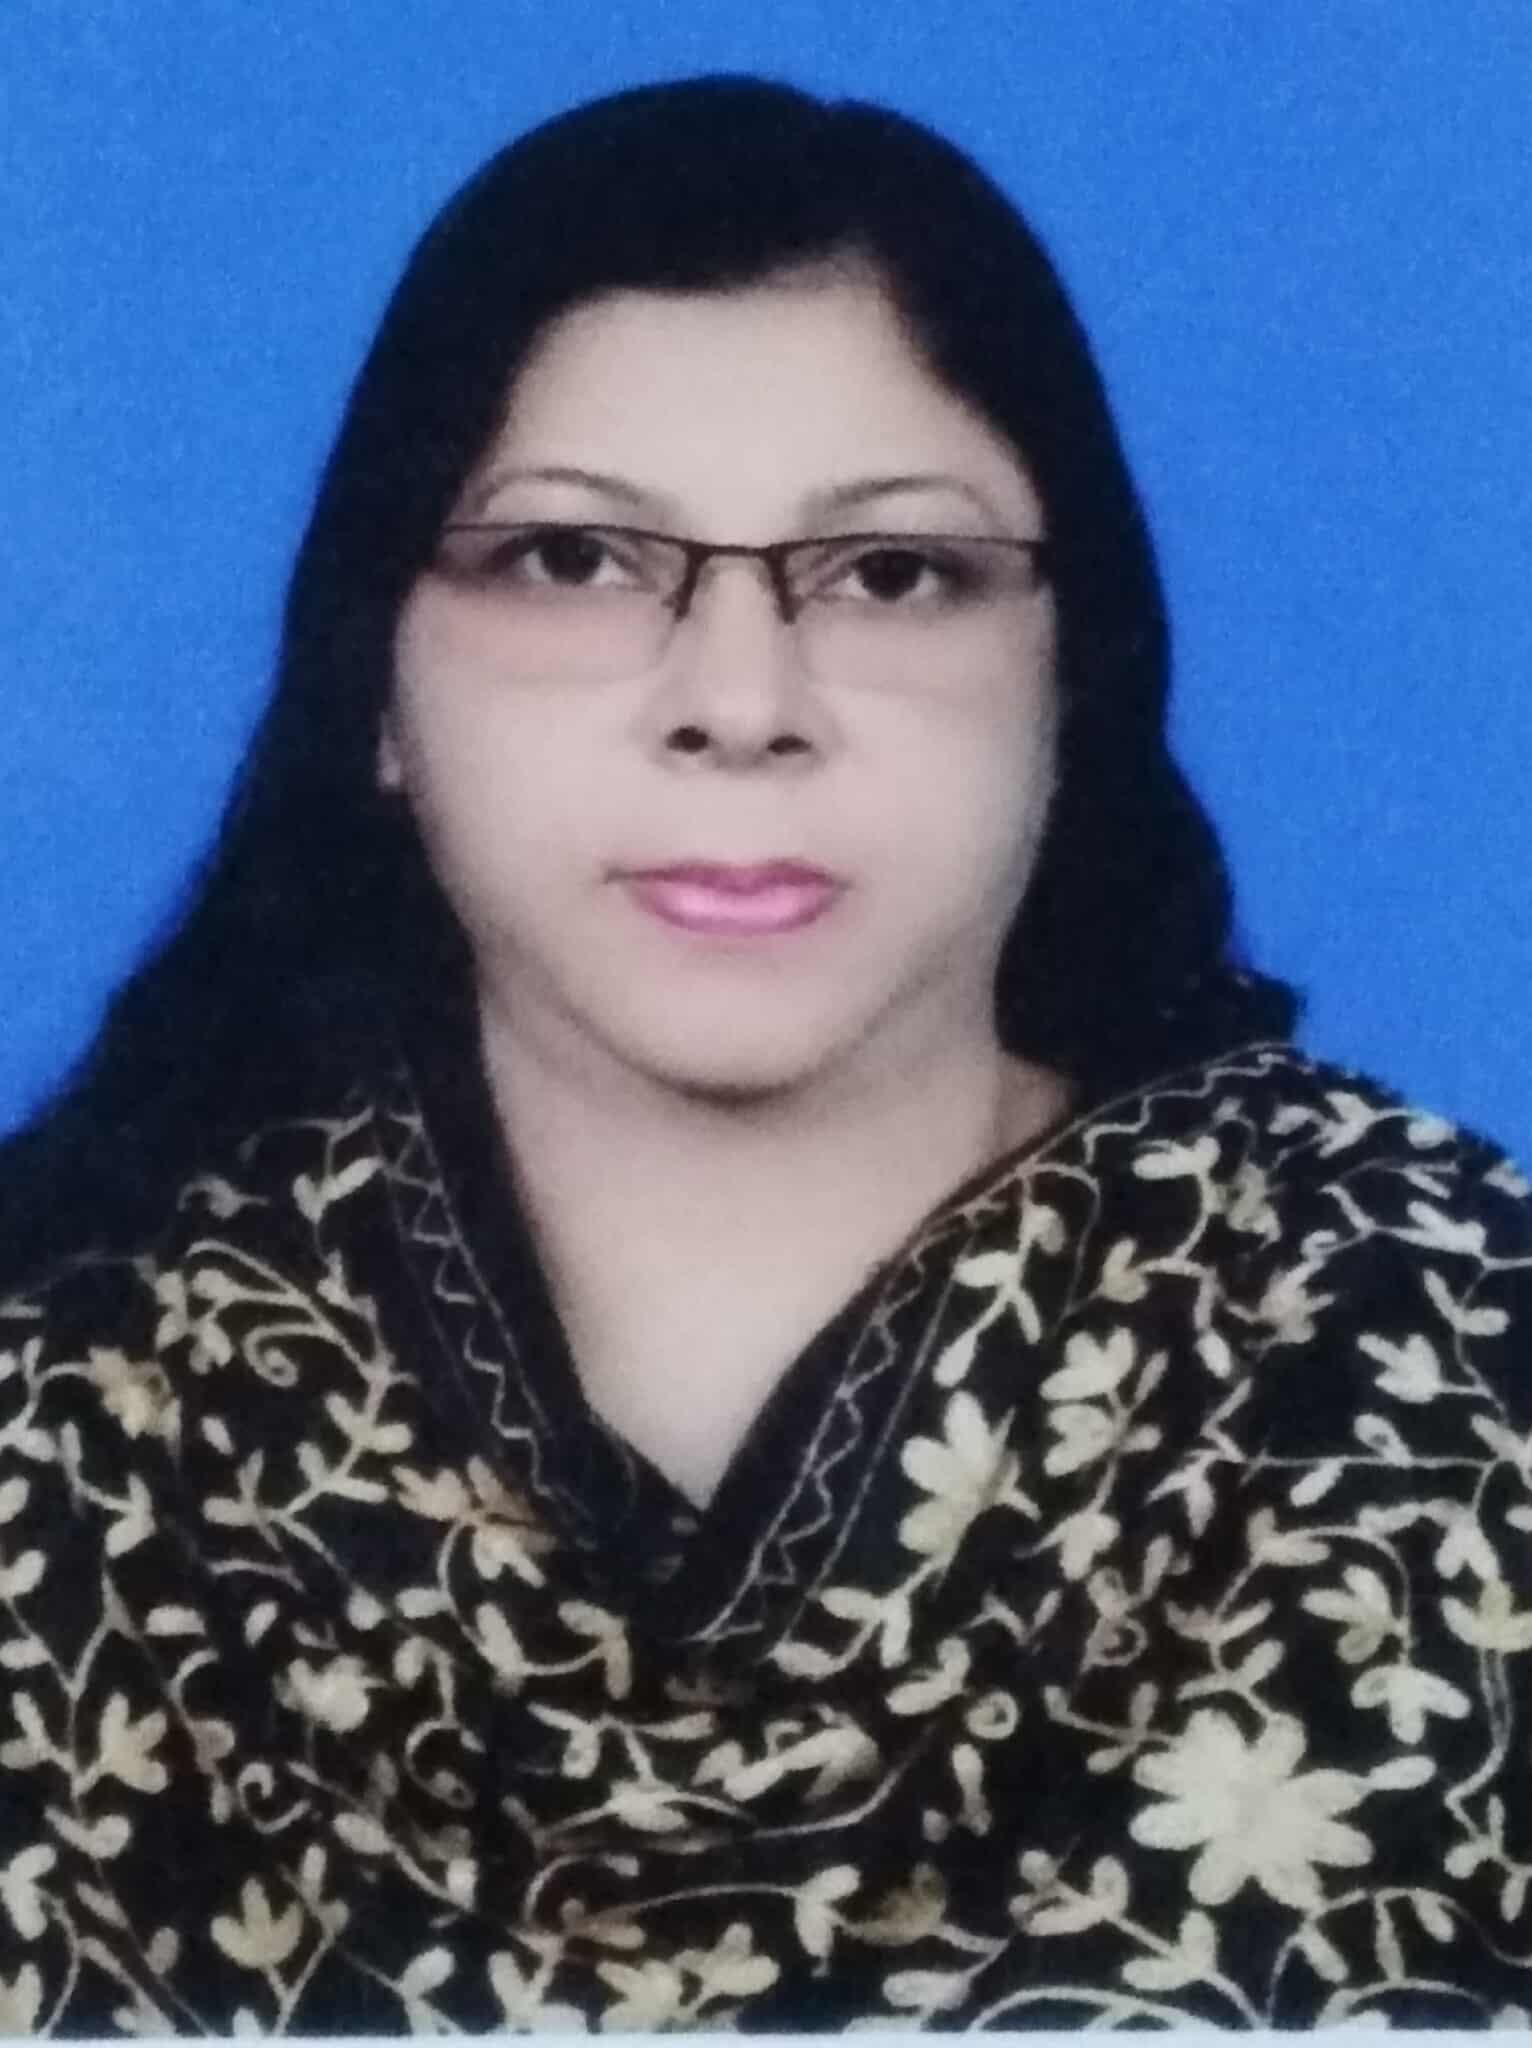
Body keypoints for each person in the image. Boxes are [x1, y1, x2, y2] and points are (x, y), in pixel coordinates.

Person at [1, 72, 1529, 2035]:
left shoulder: (1444, 1374)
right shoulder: (75, 1433)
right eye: (573, 559)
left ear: (1074, 680)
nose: (739, 701)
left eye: (892, 573)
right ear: (370, 682)